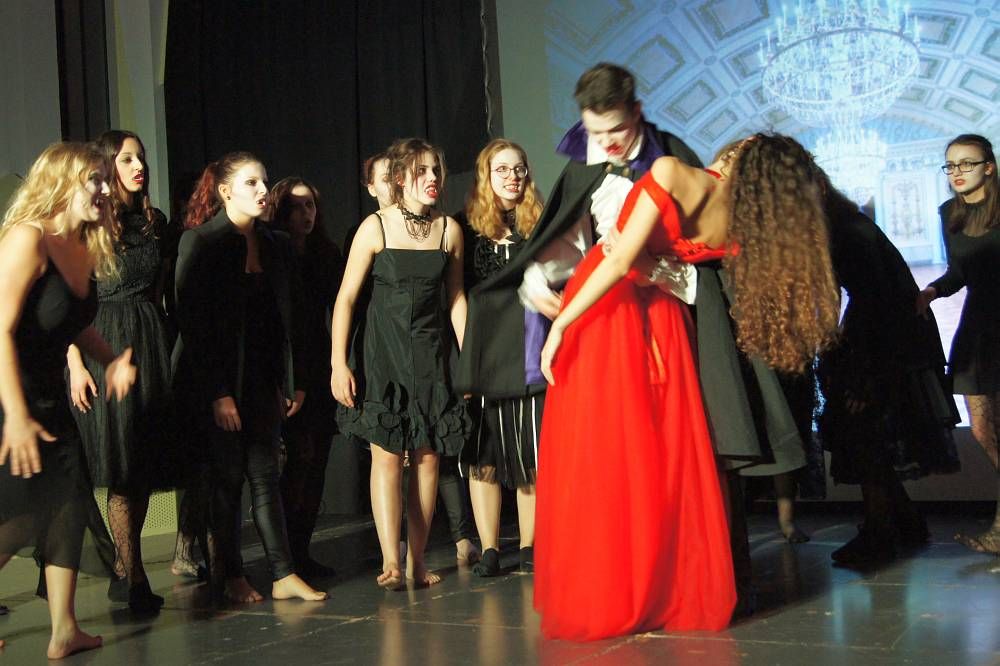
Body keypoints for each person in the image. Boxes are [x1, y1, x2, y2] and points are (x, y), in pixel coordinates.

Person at [534, 134, 841, 640]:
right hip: (669, 323)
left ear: (742, 153)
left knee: (607, 453)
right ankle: (664, 589)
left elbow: (619, 262)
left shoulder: (673, 172)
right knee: (660, 457)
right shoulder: (740, 220)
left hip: (611, 312)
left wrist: (562, 324)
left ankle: (616, 589)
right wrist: (658, 271)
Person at [0, 142, 137, 658]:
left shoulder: (80, 245)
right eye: (94, 179)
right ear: (60, 183)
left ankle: (64, 629)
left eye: (105, 178)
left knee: (67, 505)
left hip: (44, 395)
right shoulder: (28, 238)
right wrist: (15, 415)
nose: (105, 189)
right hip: (8, 395)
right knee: (19, 515)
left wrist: (111, 359)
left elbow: (70, 322)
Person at [173, 152, 327, 603]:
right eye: (251, 183)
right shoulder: (201, 242)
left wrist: (294, 381)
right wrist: (219, 393)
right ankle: (231, 575)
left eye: (263, 181)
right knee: (227, 479)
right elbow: (192, 325)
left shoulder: (275, 244)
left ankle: (283, 574)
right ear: (225, 192)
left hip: (261, 379)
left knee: (265, 475)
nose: (263, 190)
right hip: (216, 380)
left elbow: (289, 320)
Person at [332, 138, 469, 589]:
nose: (432, 178)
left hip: (431, 355)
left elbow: (456, 300)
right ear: (399, 178)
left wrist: (469, 360)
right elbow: (346, 298)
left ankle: (418, 561)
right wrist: (338, 363)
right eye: (421, 170)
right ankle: (391, 559)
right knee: (388, 457)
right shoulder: (375, 227)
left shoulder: (448, 230)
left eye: (436, 171)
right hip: (383, 355)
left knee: (427, 459)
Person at [815, 167, 959, 565]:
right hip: (886, 335)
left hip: (885, 339)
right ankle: (903, 522)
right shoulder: (847, 226)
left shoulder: (848, 232)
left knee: (868, 435)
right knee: (868, 434)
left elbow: (878, 302)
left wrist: (864, 374)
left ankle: (881, 531)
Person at [65, 130, 173, 610]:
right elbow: (68, 303)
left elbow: (160, 290)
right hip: (101, 341)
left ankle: (128, 569)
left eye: (141, 157)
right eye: (127, 158)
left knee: (143, 463)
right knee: (121, 465)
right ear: (109, 166)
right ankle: (133, 578)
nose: (138, 165)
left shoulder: (153, 223)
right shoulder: (91, 224)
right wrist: (75, 364)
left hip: (148, 342)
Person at [457, 139, 544, 576]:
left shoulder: (540, 226)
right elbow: (455, 296)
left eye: (519, 168)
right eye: (502, 169)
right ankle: (490, 548)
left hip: (529, 352)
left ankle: (529, 546)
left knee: (530, 451)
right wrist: (466, 355)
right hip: (483, 353)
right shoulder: (465, 228)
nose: (512, 176)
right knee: (484, 452)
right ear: (486, 176)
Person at [917, 134, 1000, 555]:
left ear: (989, 166)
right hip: (978, 328)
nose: (957, 172)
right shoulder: (949, 213)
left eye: (967, 163)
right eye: (950, 165)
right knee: (982, 429)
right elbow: (959, 272)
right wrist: (931, 291)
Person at [267, 177, 343, 578]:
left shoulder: (325, 253)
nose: (305, 214)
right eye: (296, 206)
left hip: (318, 361)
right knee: (297, 460)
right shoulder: (272, 251)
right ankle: (284, 557)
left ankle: (302, 550)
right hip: (285, 362)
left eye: (310, 205)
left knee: (317, 462)